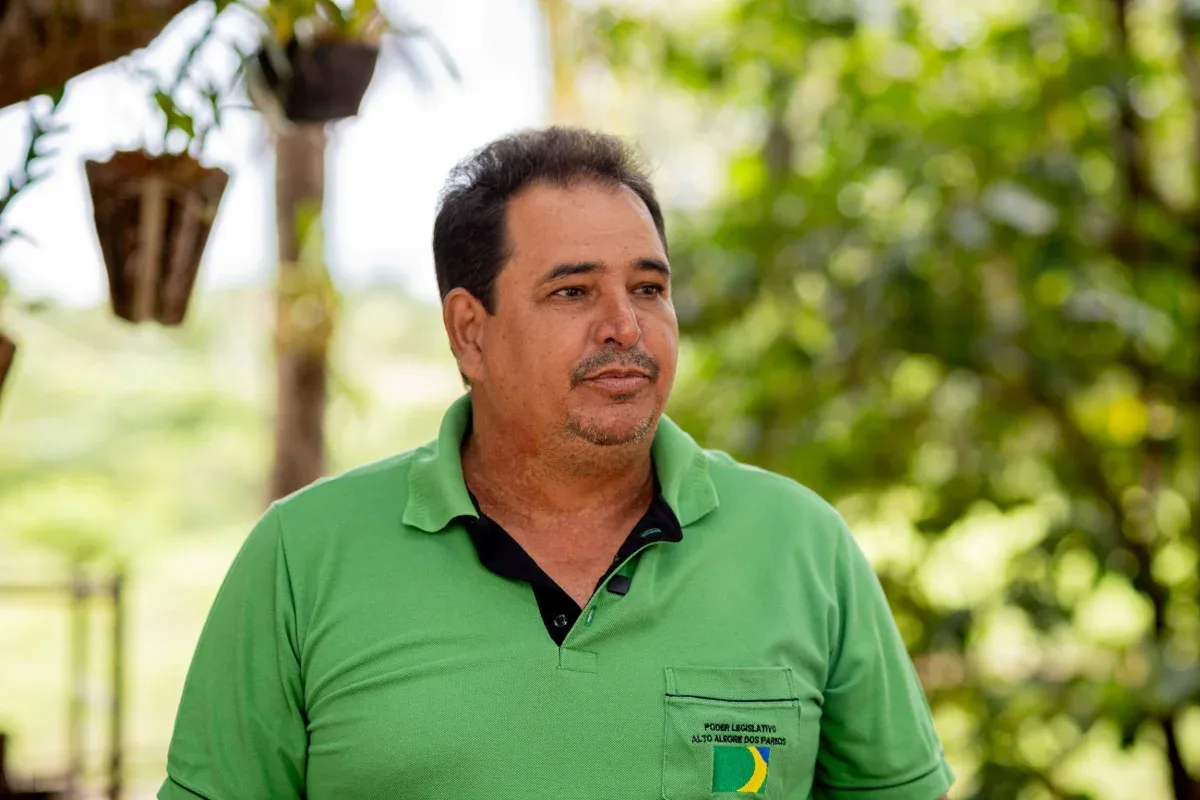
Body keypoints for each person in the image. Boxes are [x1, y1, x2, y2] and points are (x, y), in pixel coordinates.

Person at [159, 127, 954, 800]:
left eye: (649, 288)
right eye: (573, 293)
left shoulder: (801, 545)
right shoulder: (303, 555)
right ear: (471, 333)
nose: (625, 327)